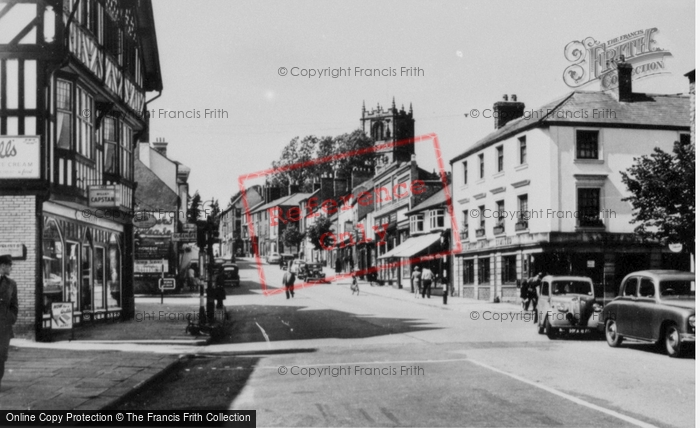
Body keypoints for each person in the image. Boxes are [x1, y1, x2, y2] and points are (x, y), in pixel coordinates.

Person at [0, 255, 18, 391]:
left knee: (2, 355)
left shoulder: (11, 284)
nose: (11, 268)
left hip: (4, 327)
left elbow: (14, 305)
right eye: (9, 265)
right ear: (2, 266)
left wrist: (11, 318)